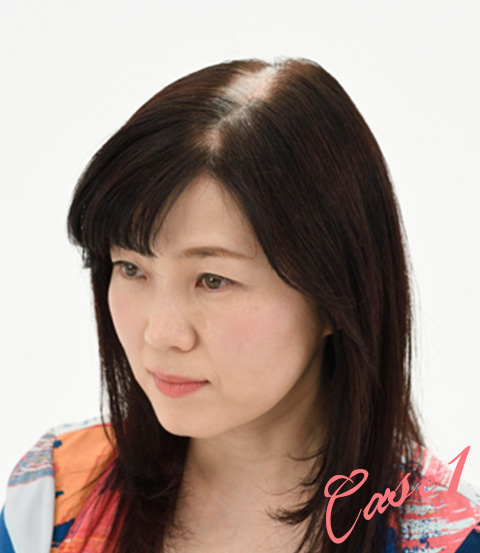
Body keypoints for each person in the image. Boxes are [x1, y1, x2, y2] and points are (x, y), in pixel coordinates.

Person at [1, 57, 479, 553]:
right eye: (131, 268)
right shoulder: (52, 496)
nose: (160, 334)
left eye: (213, 280)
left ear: (335, 295)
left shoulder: (447, 538)